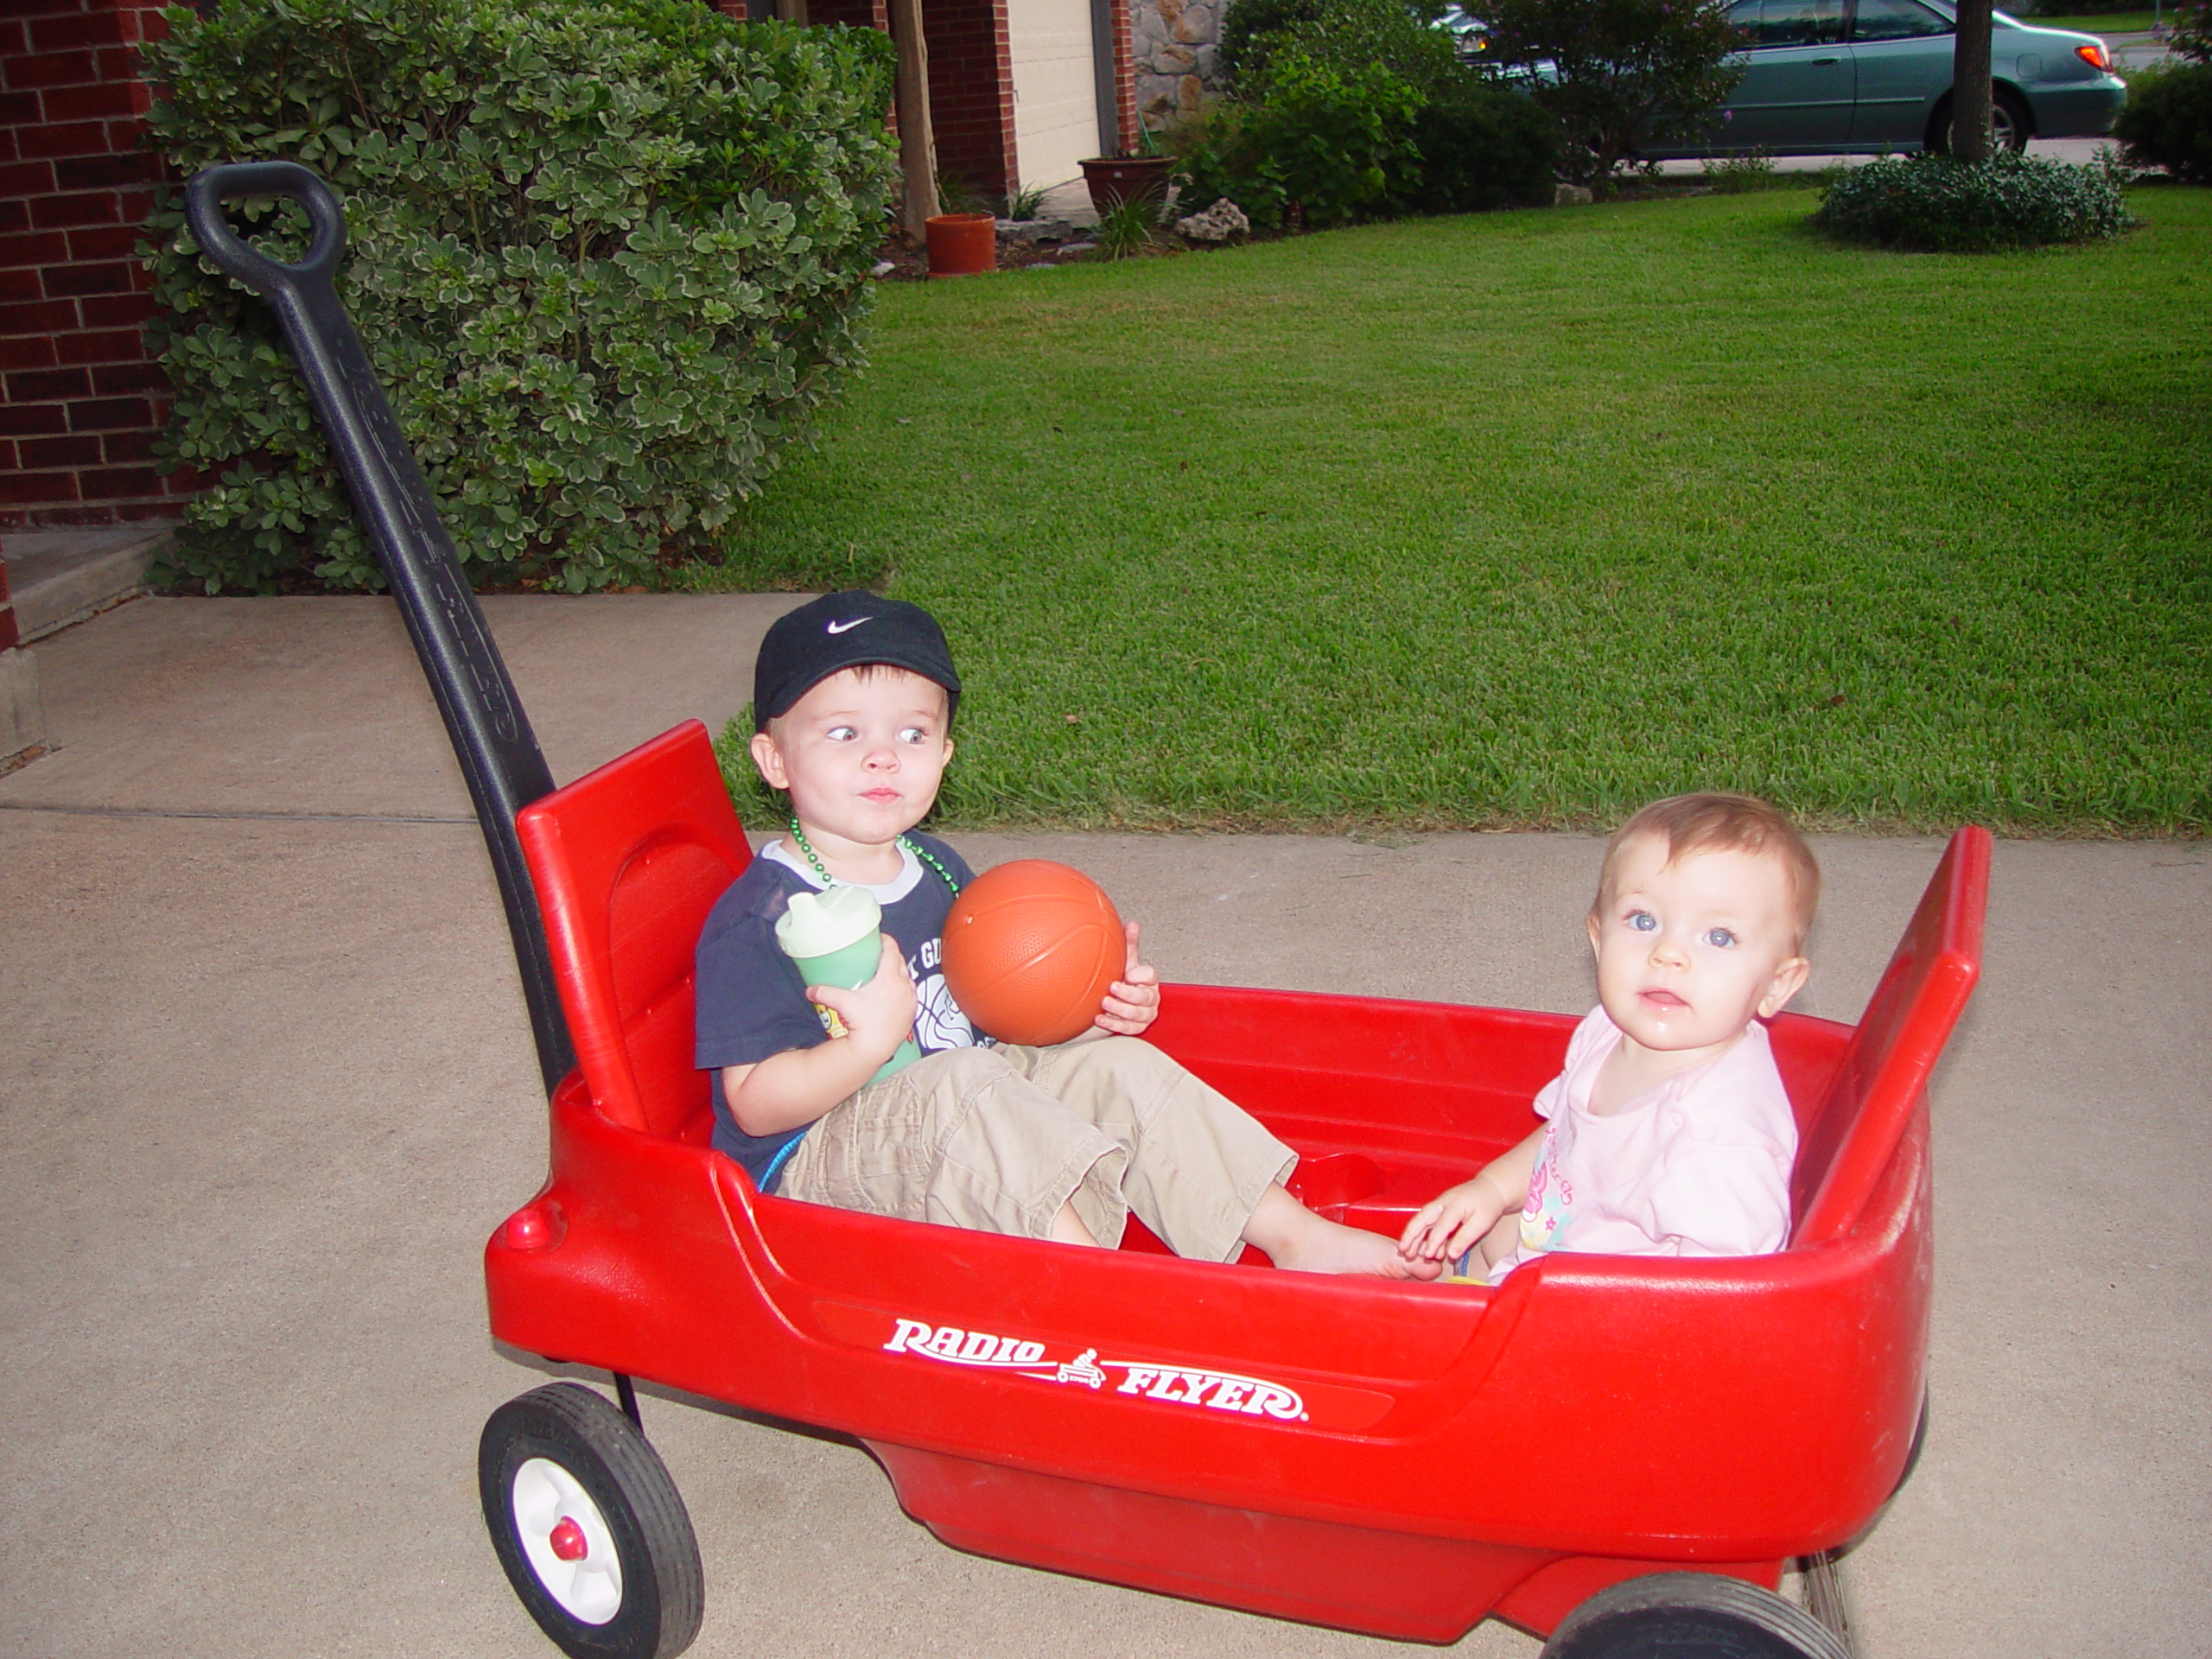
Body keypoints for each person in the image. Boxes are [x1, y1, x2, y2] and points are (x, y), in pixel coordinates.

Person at [696, 590, 1433, 1279]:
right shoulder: (763, 916)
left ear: (945, 756)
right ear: (773, 761)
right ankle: (1095, 1291)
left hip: (964, 1108)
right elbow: (754, 1105)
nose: (883, 755)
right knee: (962, 1084)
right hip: (819, 1167)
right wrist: (863, 1046)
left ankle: (1295, 1235)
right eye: (844, 732)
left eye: (913, 732)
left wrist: (1086, 1009)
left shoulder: (937, 868)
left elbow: (991, 1021)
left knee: (1117, 1066)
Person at [1400, 793, 1817, 1283]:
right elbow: (1563, 1133)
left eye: (1719, 936)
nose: (1668, 954)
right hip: (1555, 1243)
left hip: (1607, 1314)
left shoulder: (1721, 1142)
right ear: (1599, 940)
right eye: (1644, 921)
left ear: (1776, 985)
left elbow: (1723, 1300)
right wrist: (1491, 1188)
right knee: (1478, 1232)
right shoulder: (1607, 1030)